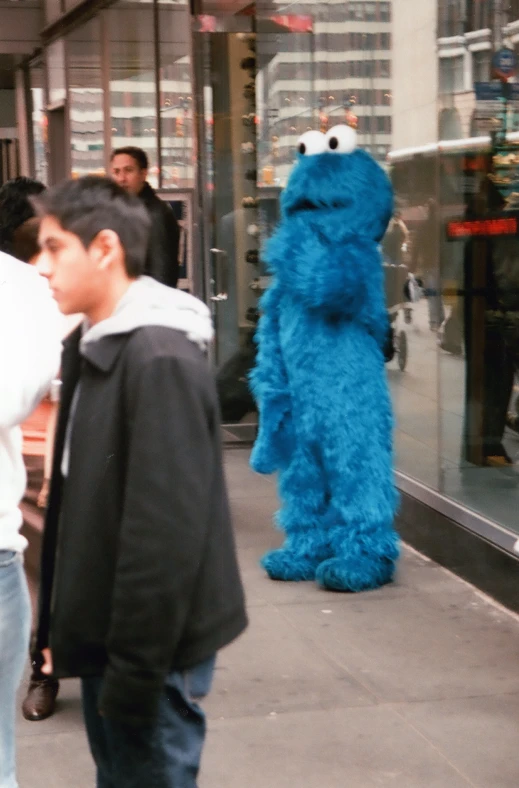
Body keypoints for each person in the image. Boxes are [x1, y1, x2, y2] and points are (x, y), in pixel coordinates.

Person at [33, 175, 247, 787]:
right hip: (110, 634)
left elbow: (164, 538)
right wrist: (59, 633)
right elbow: (80, 510)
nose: (41, 268)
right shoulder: (93, 343)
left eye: (54, 249)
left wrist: (132, 673)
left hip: (149, 651)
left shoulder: (158, 359)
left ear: (105, 249)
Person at [0, 177, 65, 725]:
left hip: (51, 455)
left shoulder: (47, 285)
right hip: (28, 458)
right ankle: (44, 674)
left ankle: (49, 672)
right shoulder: (24, 287)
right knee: (45, 575)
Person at [110, 146, 180, 287]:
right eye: (116, 172)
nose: (121, 178)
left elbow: (162, 273)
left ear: (143, 174)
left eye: (128, 170)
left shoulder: (155, 214)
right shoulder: (122, 209)